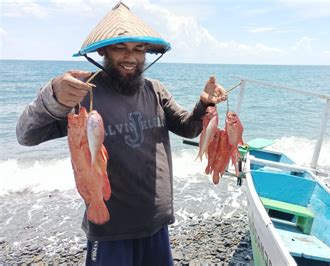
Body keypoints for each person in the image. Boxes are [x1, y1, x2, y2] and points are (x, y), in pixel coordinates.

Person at [16, 2, 226, 265]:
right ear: (104, 50)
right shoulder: (82, 94)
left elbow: (189, 127)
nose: (131, 57)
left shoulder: (155, 90)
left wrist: (205, 105)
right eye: (120, 48)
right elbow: (27, 135)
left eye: (139, 49)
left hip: (156, 222)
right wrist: (52, 97)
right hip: (109, 230)